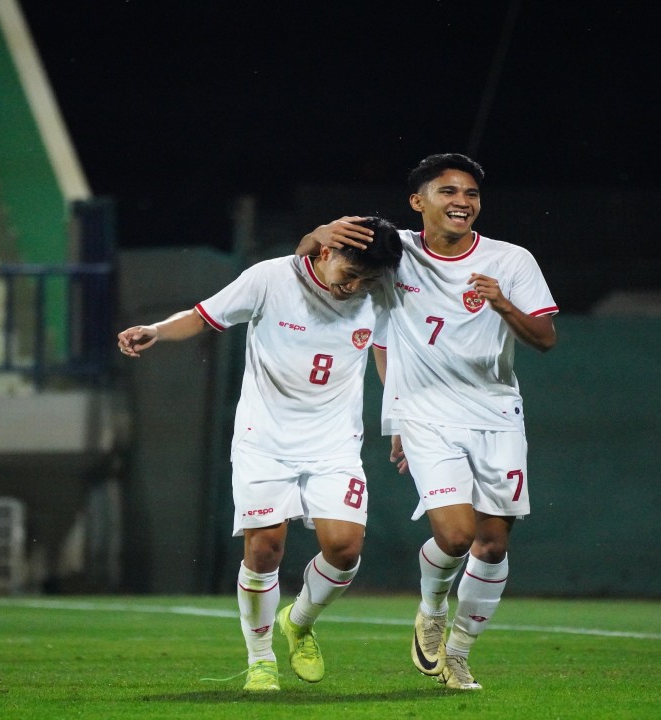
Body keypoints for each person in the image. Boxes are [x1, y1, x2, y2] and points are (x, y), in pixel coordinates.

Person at [297, 153, 558, 691]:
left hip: (496, 412)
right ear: (418, 201)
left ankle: (458, 653)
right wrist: (318, 233)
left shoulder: (511, 260)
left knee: (493, 544)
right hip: (426, 415)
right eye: (448, 191)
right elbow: (315, 266)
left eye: (471, 193)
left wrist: (503, 305)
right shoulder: (395, 253)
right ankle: (432, 609)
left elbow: (545, 339)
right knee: (457, 536)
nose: (462, 202)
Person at [116, 217, 403, 692]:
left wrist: (399, 418)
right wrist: (157, 330)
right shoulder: (270, 278)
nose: (355, 287)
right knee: (264, 548)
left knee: (345, 550)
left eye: (367, 280)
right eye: (350, 274)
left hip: (334, 443)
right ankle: (261, 659)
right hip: (265, 440)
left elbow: (386, 353)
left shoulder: (378, 296)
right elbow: (204, 315)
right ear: (325, 253)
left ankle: (300, 620)